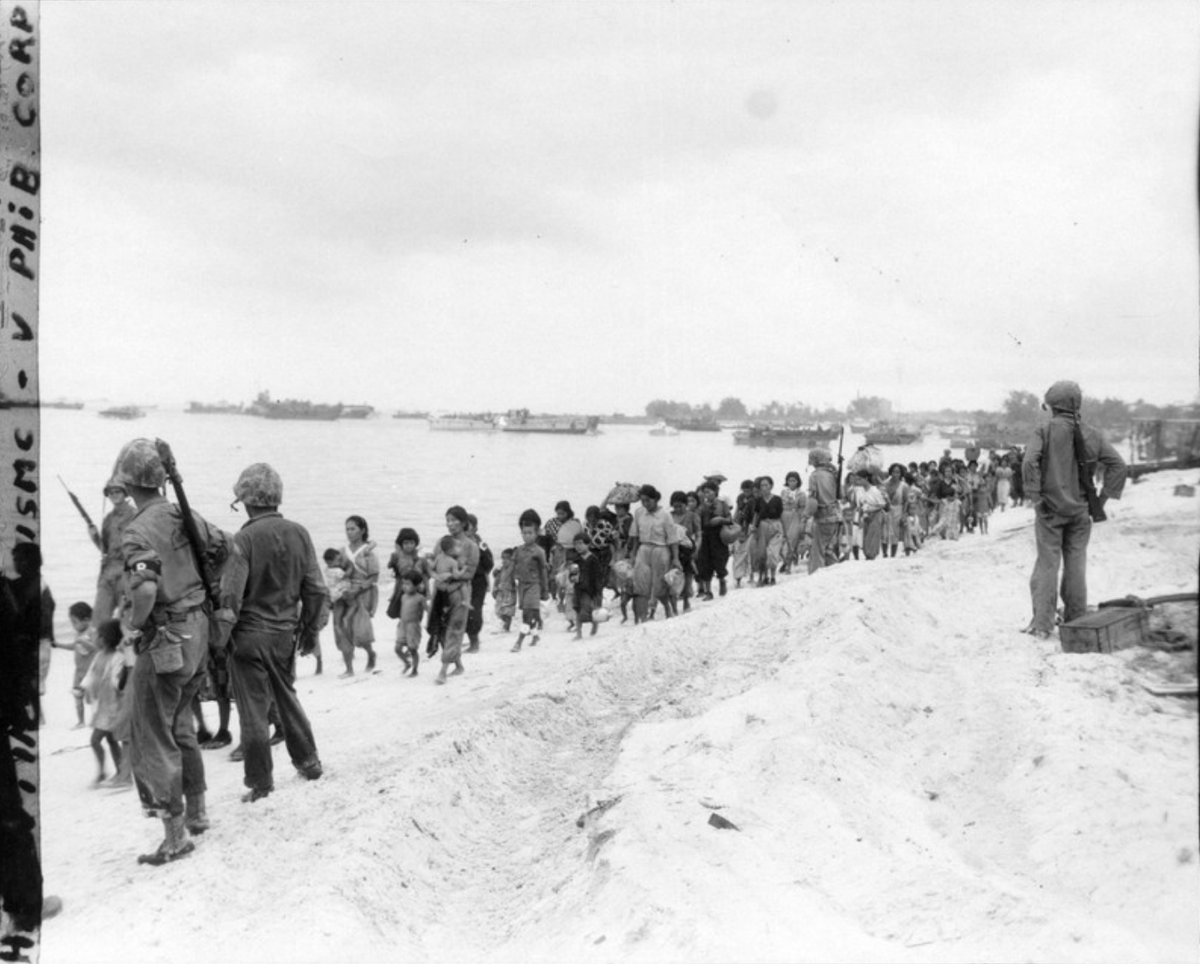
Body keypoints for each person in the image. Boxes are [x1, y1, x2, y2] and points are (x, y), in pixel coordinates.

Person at [111, 438, 234, 865]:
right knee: (181, 723)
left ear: (127, 482)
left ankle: (175, 834)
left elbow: (144, 586)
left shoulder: (136, 529)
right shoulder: (181, 512)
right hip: (198, 629)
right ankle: (198, 812)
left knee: (153, 731)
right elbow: (225, 547)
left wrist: (134, 623)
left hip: (164, 637)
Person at [220, 463, 328, 804]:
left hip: (249, 637)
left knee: (252, 711)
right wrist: (310, 631)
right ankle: (309, 762)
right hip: (284, 634)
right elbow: (316, 590)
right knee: (287, 698)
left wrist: (217, 640)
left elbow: (230, 598)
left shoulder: (244, 539)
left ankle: (260, 783)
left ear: (245, 500)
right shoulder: (300, 532)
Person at [1021, 380, 1126, 640]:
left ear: (1052, 406)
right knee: (1076, 566)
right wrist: (1101, 501)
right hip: (1080, 512)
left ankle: (1042, 624)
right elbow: (1119, 466)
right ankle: (1076, 618)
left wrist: (1036, 497)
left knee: (1047, 564)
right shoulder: (1092, 434)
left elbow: (1028, 463)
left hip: (1049, 510)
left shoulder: (1043, 431)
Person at [432, 506, 479, 684]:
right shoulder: (441, 542)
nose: (450, 524)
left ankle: (443, 670)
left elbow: (470, 573)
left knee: (455, 629)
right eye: (448, 520)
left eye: (454, 520)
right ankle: (458, 665)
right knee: (442, 629)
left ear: (464, 522)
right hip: (441, 592)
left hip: (460, 593)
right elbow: (435, 563)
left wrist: (450, 575)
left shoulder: (471, 546)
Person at [333, 516, 378, 678]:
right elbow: (334, 573)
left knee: (358, 631)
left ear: (362, 530)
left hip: (362, 594)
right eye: (347, 529)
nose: (349, 532)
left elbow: (373, 577)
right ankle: (349, 668)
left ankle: (370, 653)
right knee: (341, 629)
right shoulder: (341, 551)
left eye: (353, 529)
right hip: (343, 593)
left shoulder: (368, 553)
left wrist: (358, 590)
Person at [627, 485, 681, 621]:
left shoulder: (665, 515)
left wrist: (675, 558)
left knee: (659, 584)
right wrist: (633, 554)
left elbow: (672, 538)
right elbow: (634, 535)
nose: (645, 504)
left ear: (655, 499)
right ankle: (644, 615)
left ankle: (666, 608)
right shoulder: (639, 512)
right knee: (641, 582)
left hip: (660, 550)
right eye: (642, 501)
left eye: (648, 501)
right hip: (643, 549)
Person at [81, 619, 125, 786]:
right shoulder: (99, 656)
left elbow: (116, 682)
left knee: (95, 740)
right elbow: (90, 675)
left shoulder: (117, 657)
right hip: (101, 706)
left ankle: (104, 772)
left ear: (104, 639)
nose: (94, 638)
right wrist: (83, 689)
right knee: (111, 740)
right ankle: (117, 771)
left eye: (97, 636)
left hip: (112, 707)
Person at [89, 479, 136, 626]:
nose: (114, 495)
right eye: (111, 492)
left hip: (127, 572)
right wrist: (95, 537)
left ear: (125, 493)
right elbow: (105, 550)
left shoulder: (136, 515)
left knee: (128, 623)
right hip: (108, 572)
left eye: (117, 491)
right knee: (98, 622)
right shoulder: (108, 519)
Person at [511, 518, 549, 652]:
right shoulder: (518, 550)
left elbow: (543, 571)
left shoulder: (539, 551)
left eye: (530, 533)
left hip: (534, 585)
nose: (527, 536)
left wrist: (545, 590)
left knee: (527, 614)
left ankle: (519, 642)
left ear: (536, 534)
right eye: (524, 533)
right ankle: (535, 636)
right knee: (528, 614)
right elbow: (513, 566)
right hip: (522, 585)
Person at [805, 448, 841, 573]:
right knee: (828, 550)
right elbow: (840, 494)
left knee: (817, 551)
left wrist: (806, 516)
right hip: (835, 516)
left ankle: (816, 576)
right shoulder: (832, 474)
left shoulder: (814, 476)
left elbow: (813, 501)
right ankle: (837, 572)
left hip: (823, 517)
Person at [694, 482, 732, 599]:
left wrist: (721, 519)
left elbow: (730, 519)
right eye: (705, 492)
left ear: (715, 492)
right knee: (705, 563)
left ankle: (722, 581)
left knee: (720, 560)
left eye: (709, 491)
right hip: (705, 537)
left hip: (718, 537)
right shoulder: (701, 508)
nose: (707, 494)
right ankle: (708, 591)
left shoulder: (722, 504)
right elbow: (697, 523)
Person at [65, 601, 97, 729]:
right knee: (77, 696)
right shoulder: (78, 634)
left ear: (86, 620)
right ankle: (81, 721)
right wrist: (57, 644)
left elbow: (96, 648)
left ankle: (96, 720)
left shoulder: (92, 632)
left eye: (75, 622)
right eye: (71, 622)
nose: (73, 626)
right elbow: (74, 647)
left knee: (94, 698)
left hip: (91, 672)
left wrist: (82, 641)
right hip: (78, 671)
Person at [464, 515, 494, 654]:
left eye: (467, 526)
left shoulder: (481, 544)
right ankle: (469, 639)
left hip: (478, 581)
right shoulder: (457, 542)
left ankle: (474, 642)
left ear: (475, 529)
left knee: (474, 611)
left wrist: (481, 572)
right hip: (462, 581)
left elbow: (490, 563)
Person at [749, 476, 784, 585]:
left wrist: (784, 531)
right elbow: (756, 514)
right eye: (762, 486)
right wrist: (753, 527)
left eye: (766, 485)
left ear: (771, 486)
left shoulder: (777, 499)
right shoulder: (758, 500)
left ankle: (773, 576)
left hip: (775, 526)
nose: (764, 488)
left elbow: (781, 516)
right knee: (761, 553)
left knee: (772, 553)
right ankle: (763, 576)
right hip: (762, 527)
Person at [571, 531, 605, 639]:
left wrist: (598, 591)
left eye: (581, 543)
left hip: (589, 589)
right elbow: (572, 573)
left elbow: (598, 576)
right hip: (578, 588)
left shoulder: (593, 559)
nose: (578, 546)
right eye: (576, 544)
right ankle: (579, 633)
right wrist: (572, 578)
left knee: (585, 612)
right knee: (576, 609)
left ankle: (595, 622)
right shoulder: (576, 559)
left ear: (588, 544)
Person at [395, 573, 427, 676]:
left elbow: (426, 610)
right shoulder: (403, 596)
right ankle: (406, 663)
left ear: (416, 586)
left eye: (408, 584)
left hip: (413, 626)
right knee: (397, 648)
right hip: (403, 625)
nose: (404, 586)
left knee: (413, 649)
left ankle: (415, 670)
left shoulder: (420, 598)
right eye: (403, 583)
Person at [492, 548, 517, 632]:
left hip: (510, 592)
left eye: (507, 558)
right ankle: (504, 625)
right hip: (500, 592)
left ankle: (506, 627)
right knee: (498, 610)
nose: (505, 560)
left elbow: (516, 580)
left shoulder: (514, 569)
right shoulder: (501, 568)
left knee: (507, 611)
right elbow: (496, 578)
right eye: (503, 558)